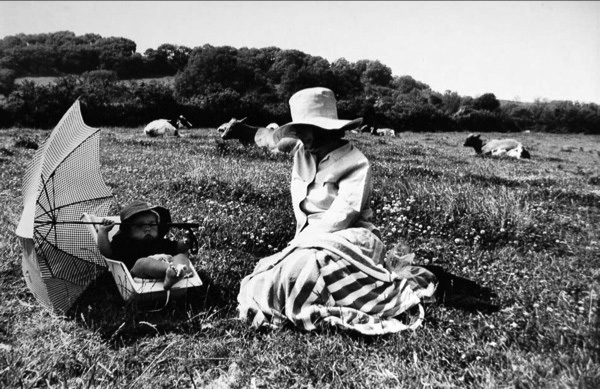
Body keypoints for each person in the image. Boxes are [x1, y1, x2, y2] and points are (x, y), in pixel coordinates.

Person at [237, 87, 438, 335]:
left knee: (306, 264)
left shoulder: (356, 162)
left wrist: (297, 247)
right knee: (266, 272)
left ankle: (303, 302)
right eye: (297, 129)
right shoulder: (302, 153)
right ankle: (289, 300)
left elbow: (342, 216)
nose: (300, 136)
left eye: (304, 128)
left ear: (325, 127)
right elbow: (276, 149)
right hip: (308, 239)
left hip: (351, 237)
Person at [97, 199, 191, 290]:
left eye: (152, 224)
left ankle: (177, 270)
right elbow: (107, 252)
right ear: (128, 231)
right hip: (139, 274)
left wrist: (186, 241)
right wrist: (103, 231)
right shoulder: (125, 244)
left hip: (165, 263)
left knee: (182, 256)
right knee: (143, 263)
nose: (147, 228)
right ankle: (173, 271)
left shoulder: (160, 242)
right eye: (139, 226)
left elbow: (178, 247)